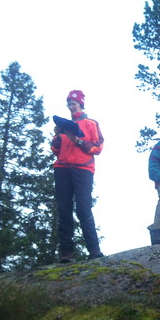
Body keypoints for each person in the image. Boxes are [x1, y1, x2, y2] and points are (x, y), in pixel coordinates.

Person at [51, 90, 104, 263]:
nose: (71, 106)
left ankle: (94, 251)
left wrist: (78, 141)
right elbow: (55, 151)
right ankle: (66, 253)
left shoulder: (91, 123)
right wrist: (58, 135)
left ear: (81, 104)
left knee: (83, 209)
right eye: (69, 104)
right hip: (62, 168)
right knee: (64, 209)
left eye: (73, 103)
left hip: (83, 169)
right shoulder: (65, 125)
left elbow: (98, 147)